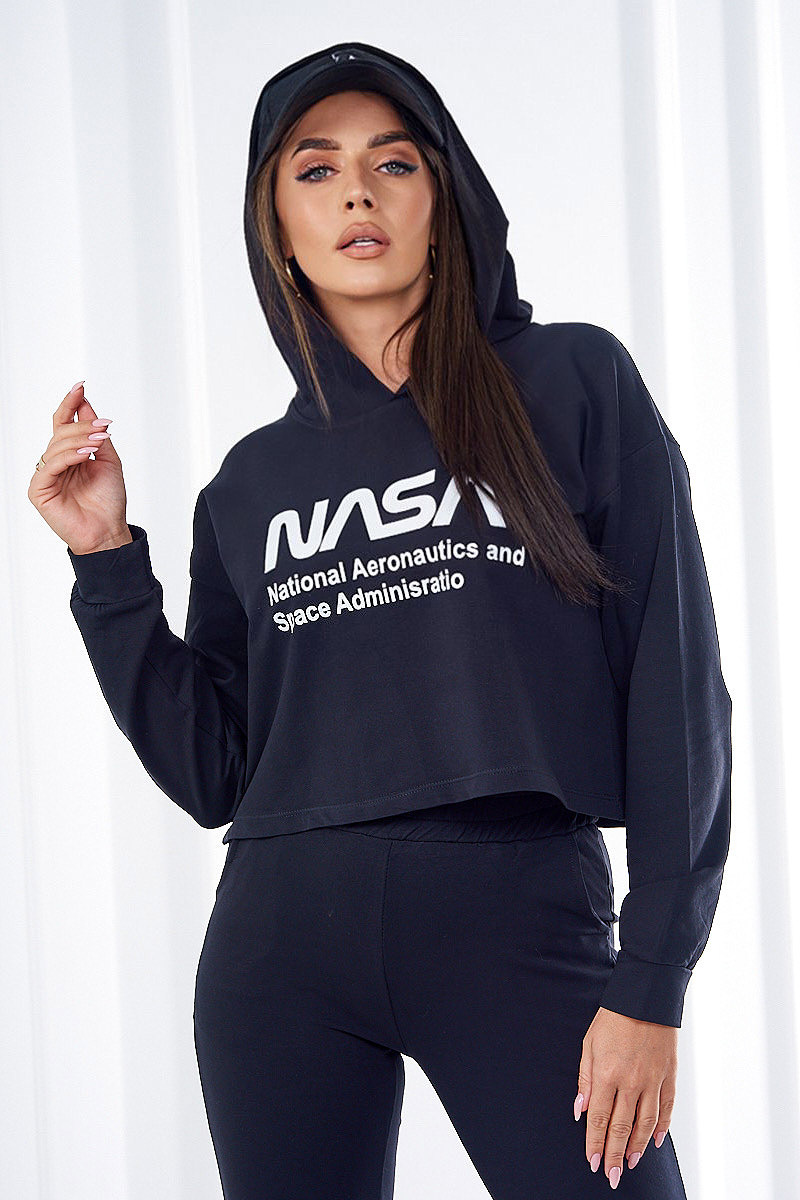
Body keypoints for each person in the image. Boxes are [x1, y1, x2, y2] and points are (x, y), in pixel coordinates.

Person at [28, 41, 732, 1199]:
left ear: (442, 204)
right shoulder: (247, 486)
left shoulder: (571, 385)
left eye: (392, 163)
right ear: (276, 228)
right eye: (315, 170)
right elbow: (215, 774)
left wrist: (650, 980)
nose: (356, 193)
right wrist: (104, 560)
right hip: (279, 946)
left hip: (517, 919)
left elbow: (676, 688)